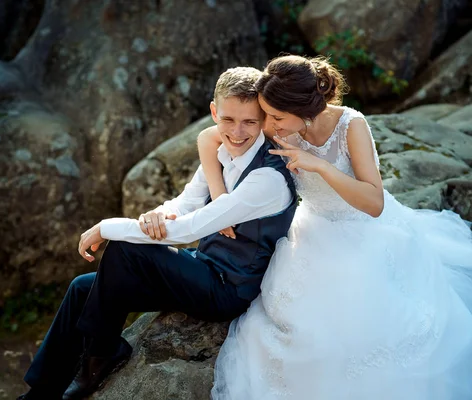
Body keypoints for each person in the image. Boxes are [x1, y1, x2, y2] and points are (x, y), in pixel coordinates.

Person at [196, 55, 472, 399]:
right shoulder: (277, 123)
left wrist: (321, 167)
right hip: (313, 232)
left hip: (367, 230)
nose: (271, 125)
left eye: (278, 116)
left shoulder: (350, 125)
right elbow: (209, 138)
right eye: (268, 115)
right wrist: (221, 200)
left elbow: (374, 202)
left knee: (375, 320)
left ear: (303, 109)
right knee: (294, 326)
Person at [17, 67, 299, 400]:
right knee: (83, 289)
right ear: (213, 112)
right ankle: (39, 394)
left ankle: (102, 354)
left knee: (125, 248)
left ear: (264, 120)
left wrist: (107, 227)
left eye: (250, 122)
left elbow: (190, 227)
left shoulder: (267, 178)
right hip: (202, 266)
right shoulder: (222, 152)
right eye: (228, 120)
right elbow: (185, 203)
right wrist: (159, 214)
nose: (237, 132)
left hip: (227, 289)